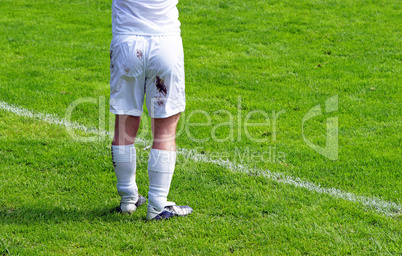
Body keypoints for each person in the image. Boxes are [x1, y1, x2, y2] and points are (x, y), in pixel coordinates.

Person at [109, 0, 192, 220]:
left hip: (126, 43)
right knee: (164, 129)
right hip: (165, 43)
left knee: (124, 124)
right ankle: (156, 205)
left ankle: (128, 199)